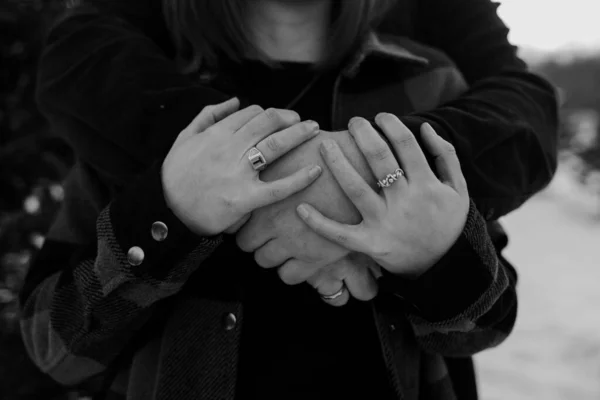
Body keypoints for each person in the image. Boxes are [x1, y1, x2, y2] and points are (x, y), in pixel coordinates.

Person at [19, 0, 558, 399]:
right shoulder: (142, 91)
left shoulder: (430, 83)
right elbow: (55, 349)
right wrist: (170, 215)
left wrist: (432, 257)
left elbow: (488, 326)